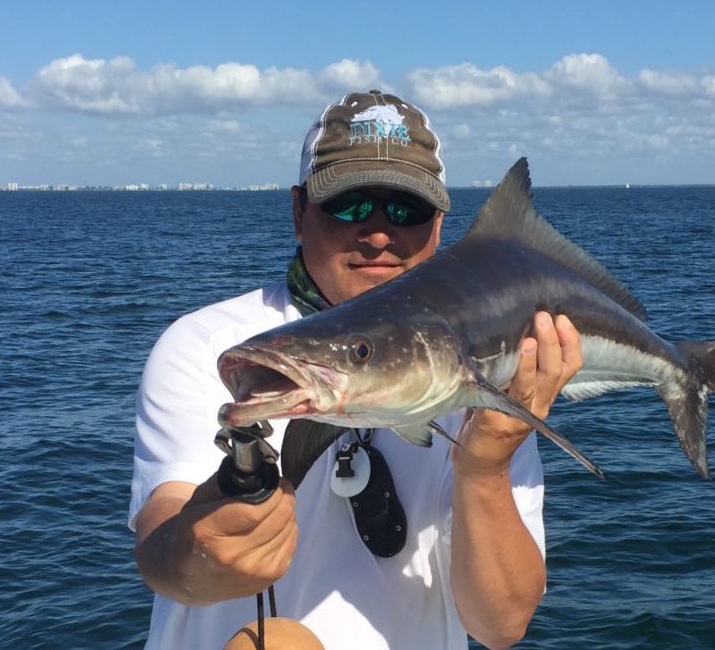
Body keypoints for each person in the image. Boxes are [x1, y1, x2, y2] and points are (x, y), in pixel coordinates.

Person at [129, 90, 582, 650]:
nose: (377, 233)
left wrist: (485, 467)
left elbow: (499, 627)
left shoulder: (493, 370)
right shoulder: (206, 346)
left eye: (406, 209)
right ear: (298, 212)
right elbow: (160, 545)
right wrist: (195, 552)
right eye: (347, 205)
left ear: (439, 227)